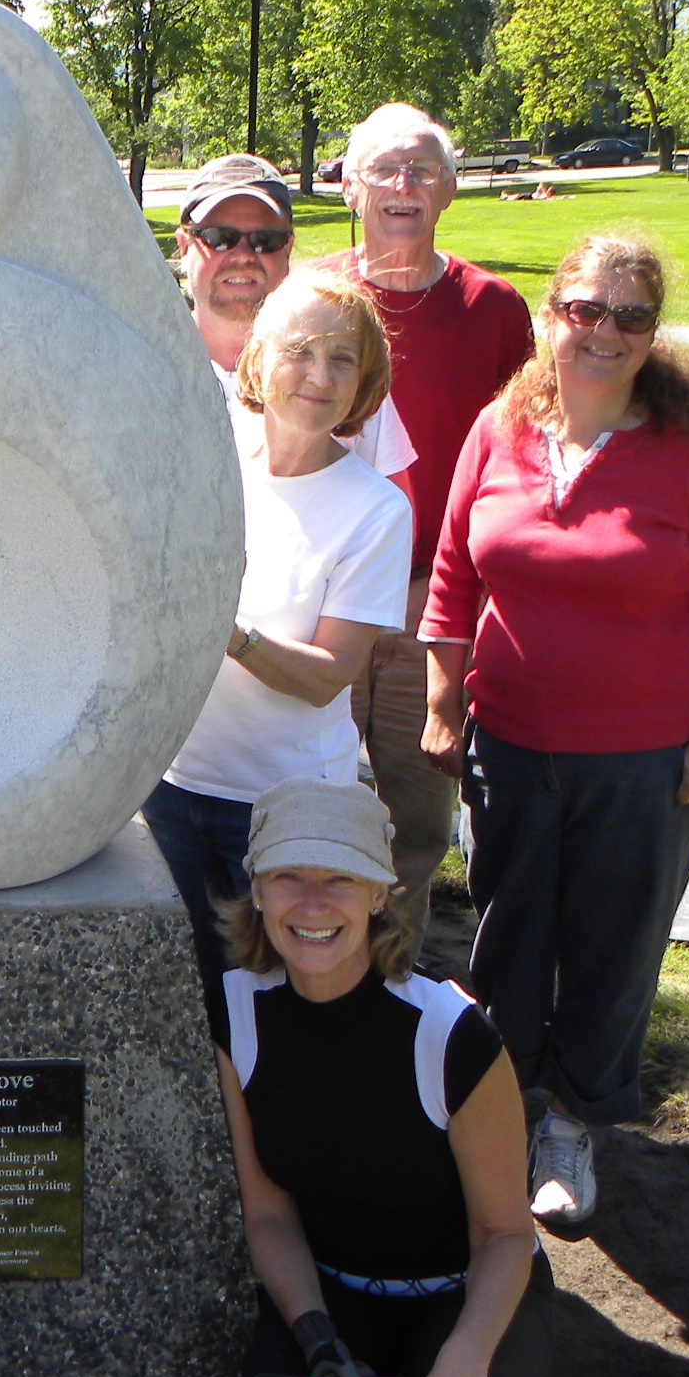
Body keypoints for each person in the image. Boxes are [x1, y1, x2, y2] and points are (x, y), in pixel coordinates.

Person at [421, 235, 689, 1227]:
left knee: (615, 951)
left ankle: (572, 1125)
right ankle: (498, 1109)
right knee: (508, 938)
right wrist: (447, 705)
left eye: (631, 316)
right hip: (512, 744)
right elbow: (453, 575)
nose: (605, 331)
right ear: (551, 313)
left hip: (646, 758)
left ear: (653, 334)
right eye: (586, 308)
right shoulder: (500, 429)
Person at [219, 777, 552, 1377]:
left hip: (461, 1291)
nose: (311, 904)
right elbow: (268, 1214)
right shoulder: (235, 1015)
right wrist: (316, 1340)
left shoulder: (452, 1036)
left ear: (380, 893)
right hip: (339, 1301)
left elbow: (504, 1233)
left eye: (339, 878)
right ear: (257, 889)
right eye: (287, 877)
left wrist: (461, 1370)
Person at [144, 271, 412, 1025]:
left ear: (365, 383)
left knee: (274, 1005)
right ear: (258, 360)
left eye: (342, 360)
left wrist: (227, 632)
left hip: (282, 807)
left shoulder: (375, 511)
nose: (318, 377)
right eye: (299, 352)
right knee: (185, 1001)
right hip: (170, 785)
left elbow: (329, 676)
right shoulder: (211, 465)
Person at [321, 104, 535, 942]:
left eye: (420, 171)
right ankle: (311, 974)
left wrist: (448, 597)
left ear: (449, 187)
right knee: (312, 799)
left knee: (416, 816)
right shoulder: (317, 299)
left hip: (429, 605)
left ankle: (396, 976)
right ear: (350, 185)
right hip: (324, 604)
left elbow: (515, 465)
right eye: (383, 169)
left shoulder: (492, 309)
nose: (401, 188)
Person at [174, 153, 415, 483]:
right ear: (185, 246)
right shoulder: (144, 367)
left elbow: (392, 504)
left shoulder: (337, 372)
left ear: (287, 250)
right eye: (219, 238)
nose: (243, 256)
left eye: (265, 241)